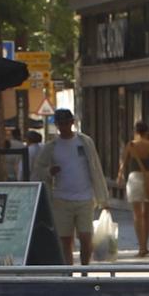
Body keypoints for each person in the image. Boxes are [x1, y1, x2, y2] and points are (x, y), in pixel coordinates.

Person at [32, 109, 108, 265]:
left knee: (86, 237)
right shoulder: (51, 146)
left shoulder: (85, 142)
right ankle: (69, 271)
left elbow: (96, 168)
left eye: (67, 123)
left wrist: (103, 197)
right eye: (60, 124)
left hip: (85, 197)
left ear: (72, 122)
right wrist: (49, 172)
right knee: (65, 239)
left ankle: (85, 269)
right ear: (57, 125)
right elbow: (38, 169)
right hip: (61, 198)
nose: (64, 127)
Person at [116, 120, 149, 258]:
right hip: (148, 177)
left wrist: (119, 177)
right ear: (147, 132)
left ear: (136, 132)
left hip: (134, 178)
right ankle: (145, 245)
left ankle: (140, 246)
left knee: (137, 215)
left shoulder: (131, 145)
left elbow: (123, 163)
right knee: (147, 214)